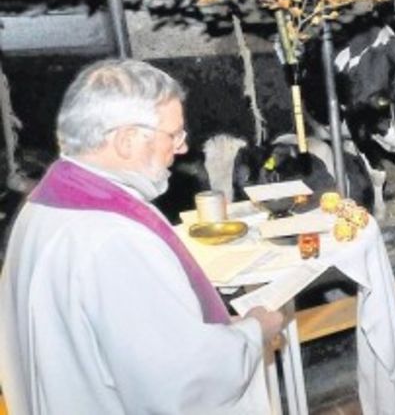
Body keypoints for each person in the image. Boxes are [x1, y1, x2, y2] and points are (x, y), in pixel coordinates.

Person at [0, 59, 285, 414]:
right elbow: (182, 379)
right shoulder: (113, 238)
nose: (182, 148)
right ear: (126, 140)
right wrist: (255, 331)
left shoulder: (45, 205)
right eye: (173, 135)